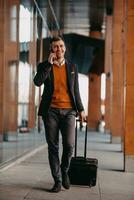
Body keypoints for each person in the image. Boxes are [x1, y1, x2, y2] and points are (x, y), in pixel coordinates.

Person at [33, 36, 86, 193]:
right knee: (53, 146)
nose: (59, 49)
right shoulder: (44, 65)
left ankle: (64, 170)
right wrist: (48, 66)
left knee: (69, 145)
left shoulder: (72, 67)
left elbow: (75, 90)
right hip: (50, 111)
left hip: (69, 111)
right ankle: (57, 180)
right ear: (51, 49)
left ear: (65, 48)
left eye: (61, 46)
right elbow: (37, 82)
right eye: (55, 47)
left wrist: (81, 109)